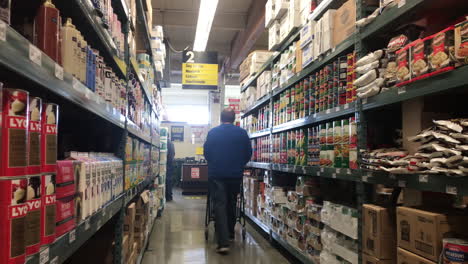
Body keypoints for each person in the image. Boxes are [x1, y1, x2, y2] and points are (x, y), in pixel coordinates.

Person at [203, 109, 252, 254]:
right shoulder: (242, 133)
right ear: (234, 118)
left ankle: (223, 242)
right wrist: (238, 164)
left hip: (217, 174)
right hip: (235, 174)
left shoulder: (213, 133)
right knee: (231, 202)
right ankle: (230, 233)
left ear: (220, 118)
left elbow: (207, 153)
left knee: (219, 204)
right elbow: (248, 153)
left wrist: (215, 163)